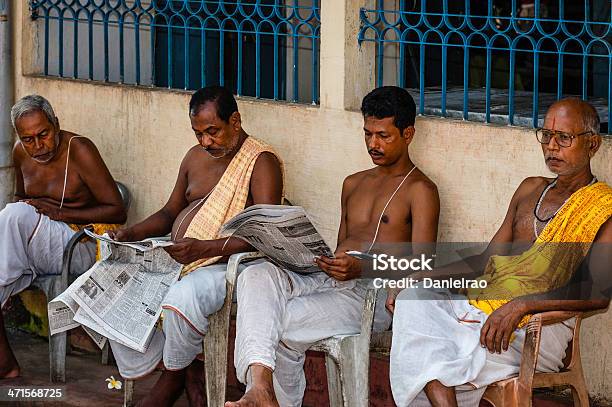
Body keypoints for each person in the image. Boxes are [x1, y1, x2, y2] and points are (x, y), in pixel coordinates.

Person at [388, 98, 612, 406]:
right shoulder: (529, 189)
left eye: (564, 138)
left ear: (593, 144)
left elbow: (597, 295)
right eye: (546, 135)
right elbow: (485, 261)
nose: (551, 146)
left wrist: (521, 306)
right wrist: (421, 276)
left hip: (536, 327)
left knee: (430, 353)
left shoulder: (604, 207)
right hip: (483, 309)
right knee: (412, 300)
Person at [226, 86, 440, 407]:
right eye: (367, 134)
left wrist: (362, 267)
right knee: (256, 275)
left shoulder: (420, 190)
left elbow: (423, 265)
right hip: (329, 280)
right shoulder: (353, 183)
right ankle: (260, 389)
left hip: (371, 294)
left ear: (408, 133)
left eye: (383, 136)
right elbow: (339, 246)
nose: (372, 144)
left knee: (275, 321)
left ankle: (264, 395)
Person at [108, 86, 283, 406]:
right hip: (182, 255)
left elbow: (266, 234)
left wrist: (204, 249)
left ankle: (173, 376)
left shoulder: (260, 161)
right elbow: (168, 213)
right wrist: (131, 233)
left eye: (213, 131)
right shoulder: (194, 157)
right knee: (113, 283)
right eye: (199, 133)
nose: (206, 141)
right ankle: (186, 371)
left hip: (227, 265)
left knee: (180, 300)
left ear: (235, 120)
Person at [0, 94, 126, 378]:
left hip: (79, 247)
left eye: (43, 134)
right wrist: (37, 212)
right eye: (28, 138)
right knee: (16, 212)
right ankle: (6, 365)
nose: (37, 145)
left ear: (56, 124)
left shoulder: (79, 149)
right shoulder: (20, 153)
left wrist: (59, 213)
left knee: (14, 214)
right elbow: (22, 197)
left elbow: (117, 211)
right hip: (40, 249)